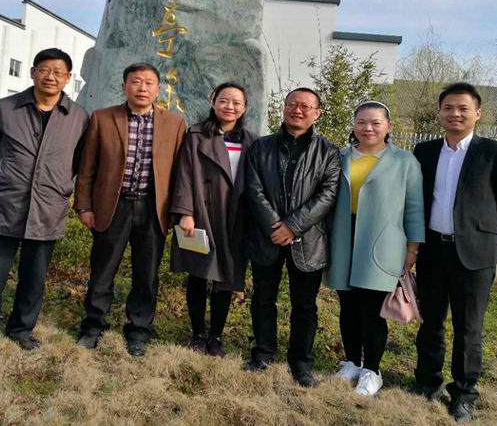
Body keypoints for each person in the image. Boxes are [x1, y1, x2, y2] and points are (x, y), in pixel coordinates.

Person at [0, 48, 88, 354]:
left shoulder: (77, 116)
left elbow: (77, 160)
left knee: (34, 277)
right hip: (5, 203)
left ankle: (21, 329)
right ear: (33, 72)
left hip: (48, 205)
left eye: (58, 72)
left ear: (68, 78)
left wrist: (57, 183)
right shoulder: (6, 108)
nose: (51, 77)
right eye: (44, 70)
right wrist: (4, 176)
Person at [412, 83, 497, 422]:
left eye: (463, 108)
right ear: (439, 112)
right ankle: (426, 381)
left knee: (468, 327)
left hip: (474, 253)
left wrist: (479, 232)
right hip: (432, 250)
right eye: (448, 108)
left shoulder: (494, 152)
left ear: (477, 113)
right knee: (431, 322)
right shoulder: (425, 151)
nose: (455, 114)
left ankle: (464, 394)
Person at [74, 62, 186, 357]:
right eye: (136, 81)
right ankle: (93, 325)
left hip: (153, 208)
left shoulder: (175, 124)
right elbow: (87, 166)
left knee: (146, 274)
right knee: (102, 270)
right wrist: (84, 205)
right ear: (124, 85)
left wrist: (179, 211)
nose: (142, 88)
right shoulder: (102, 118)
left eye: (149, 83)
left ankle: (138, 330)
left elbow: (180, 173)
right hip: (113, 206)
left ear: (158, 89)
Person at [243, 87, 341, 387]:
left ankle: (301, 363)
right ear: (284, 108)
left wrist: (293, 226)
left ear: (317, 114)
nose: (297, 110)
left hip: (308, 240)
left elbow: (328, 194)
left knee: (305, 306)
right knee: (263, 299)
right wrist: (275, 226)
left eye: (305, 106)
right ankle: (263, 353)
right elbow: (253, 189)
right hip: (267, 237)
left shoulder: (328, 151)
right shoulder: (261, 147)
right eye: (292, 104)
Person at [325, 101, 425, 396]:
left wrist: (413, 248)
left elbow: (414, 207)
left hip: (382, 241)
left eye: (375, 123)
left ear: (388, 126)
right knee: (348, 306)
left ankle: (372, 370)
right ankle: (352, 363)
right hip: (343, 237)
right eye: (361, 122)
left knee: (372, 309)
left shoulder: (404, 161)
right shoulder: (340, 157)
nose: (367, 128)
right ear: (354, 125)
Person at [170, 82, 257, 357]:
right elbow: (185, 174)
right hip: (203, 212)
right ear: (213, 102)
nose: (230, 106)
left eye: (236, 102)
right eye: (224, 100)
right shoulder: (197, 134)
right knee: (198, 273)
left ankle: (216, 336)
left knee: (227, 278)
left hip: (236, 217)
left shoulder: (252, 141)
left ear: (244, 107)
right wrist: (185, 212)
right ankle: (197, 333)